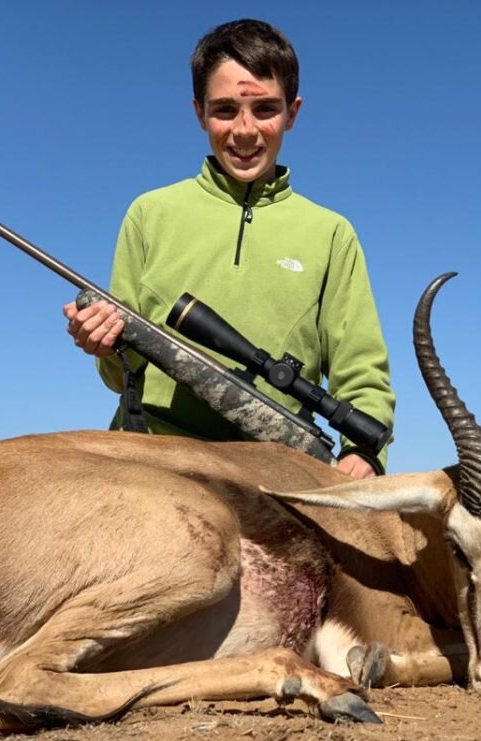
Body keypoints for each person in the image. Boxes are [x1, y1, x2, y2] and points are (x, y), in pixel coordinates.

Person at [63, 19, 395, 478]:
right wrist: (103, 345)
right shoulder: (149, 213)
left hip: (282, 470)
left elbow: (361, 370)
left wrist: (363, 454)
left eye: (265, 109)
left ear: (292, 113)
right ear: (199, 112)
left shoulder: (332, 233)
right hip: (155, 466)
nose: (244, 130)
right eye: (224, 110)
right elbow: (121, 377)